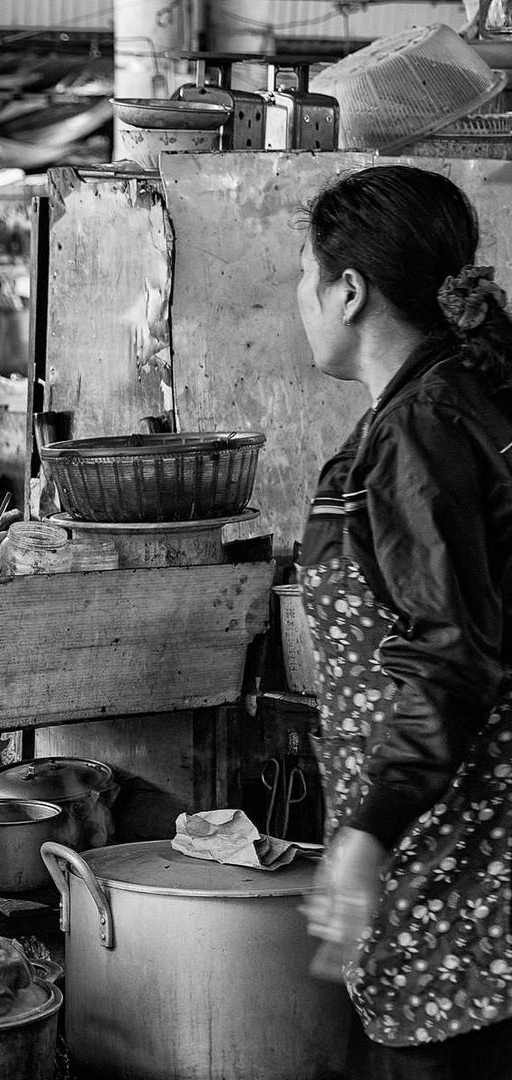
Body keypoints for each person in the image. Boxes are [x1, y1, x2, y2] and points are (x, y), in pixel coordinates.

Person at [294, 165, 512, 1078]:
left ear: (349, 292)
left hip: (453, 842)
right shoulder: (461, 394)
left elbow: (449, 654)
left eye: (304, 279)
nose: (299, 302)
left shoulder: (420, 427)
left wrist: (369, 831)